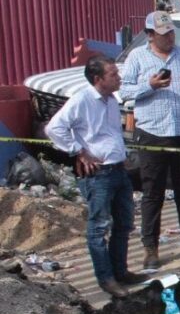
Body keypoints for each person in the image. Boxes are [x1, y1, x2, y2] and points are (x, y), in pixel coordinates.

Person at [45, 56, 150, 298]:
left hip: (117, 171)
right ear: (98, 79)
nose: (118, 78)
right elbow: (54, 128)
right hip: (98, 176)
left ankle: (121, 271)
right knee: (99, 228)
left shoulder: (111, 101)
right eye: (113, 74)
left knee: (124, 224)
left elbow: (110, 132)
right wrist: (79, 152)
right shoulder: (82, 99)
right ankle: (106, 279)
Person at [119, 11, 180, 269]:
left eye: (171, 32)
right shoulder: (137, 58)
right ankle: (150, 248)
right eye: (163, 34)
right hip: (153, 133)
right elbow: (124, 90)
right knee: (153, 192)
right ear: (150, 35)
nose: (169, 38)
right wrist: (149, 85)